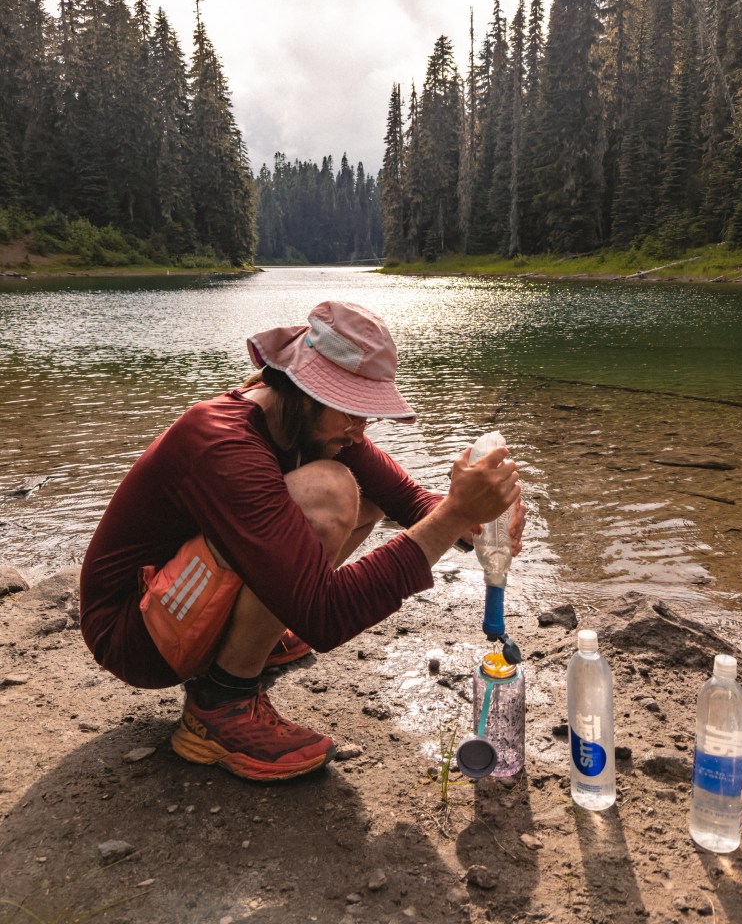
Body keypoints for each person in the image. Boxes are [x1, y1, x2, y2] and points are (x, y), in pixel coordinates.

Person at [80, 300, 526, 782]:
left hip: (177, 605)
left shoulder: (302, 420)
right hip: (134, 635)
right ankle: (221, 707)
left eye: (366, 412)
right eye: (351, 410)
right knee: (329, 491)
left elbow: (409, 500)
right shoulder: (222, 440)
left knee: (368, 497)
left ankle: (258, 637)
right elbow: (324, 615)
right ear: (303, 389)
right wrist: (453, 514)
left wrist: (480, 521)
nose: (360, 429)